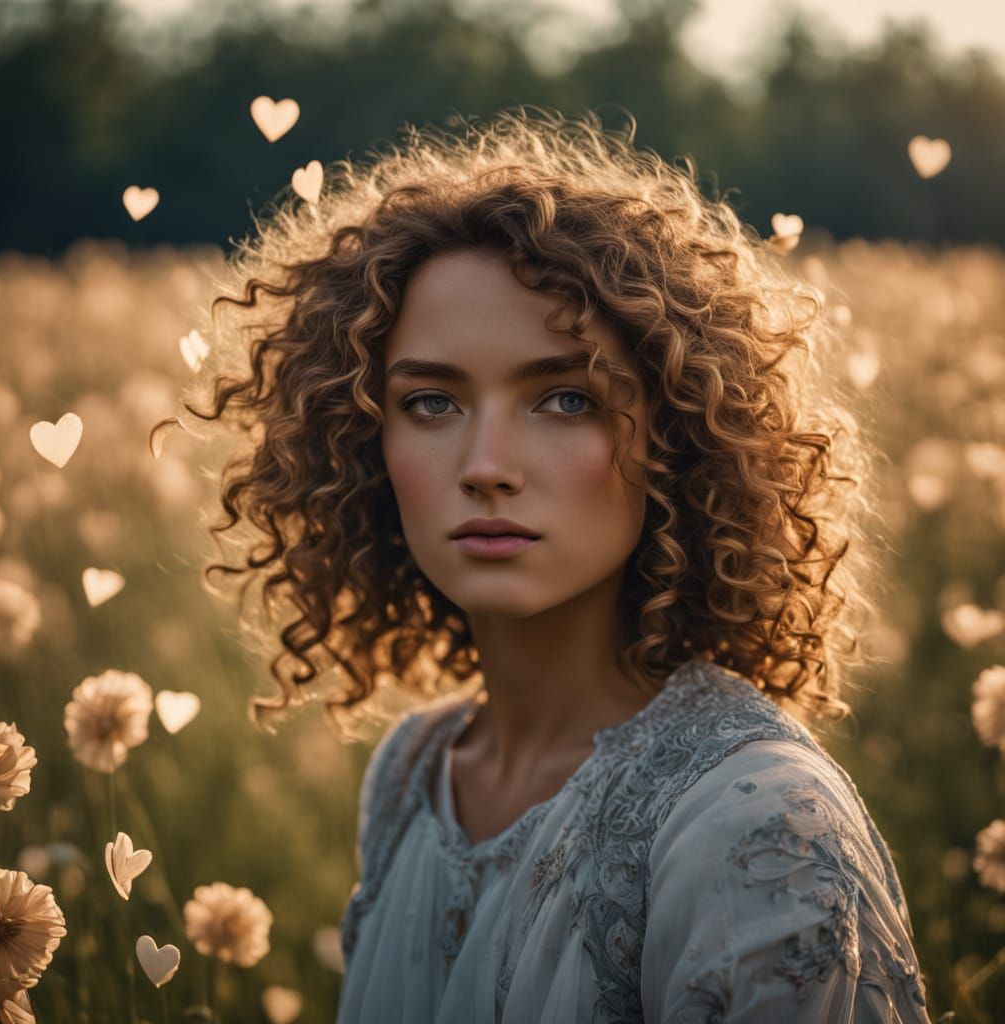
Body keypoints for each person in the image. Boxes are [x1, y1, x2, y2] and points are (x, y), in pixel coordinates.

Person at [155, 107, 933, 1021]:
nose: (486, 465)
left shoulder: (755, 823)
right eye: (433, 403)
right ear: (367, 440)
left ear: (676, 435)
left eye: (565, 399)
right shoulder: (413, 773)